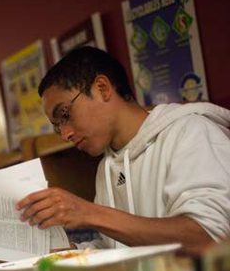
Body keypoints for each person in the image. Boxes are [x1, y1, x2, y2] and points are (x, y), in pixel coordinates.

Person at [16, 47, 230, 251]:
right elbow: (116, 248)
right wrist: (66, 253)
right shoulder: (106, 167)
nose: (65, 134)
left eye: (64, 114)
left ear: (102, 88)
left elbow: (208, 238)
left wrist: (89, 213)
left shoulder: (191, 132)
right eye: (57, 127)